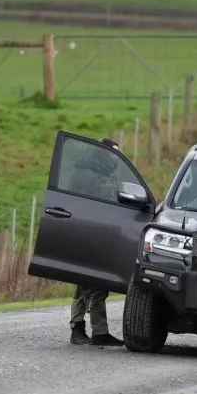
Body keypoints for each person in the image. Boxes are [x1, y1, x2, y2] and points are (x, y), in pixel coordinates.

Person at [68, 137, 125, 347]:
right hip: (87, 234)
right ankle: (99, 332)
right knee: (95, 283)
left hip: (93, 233)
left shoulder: (94, 171)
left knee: (84, 283)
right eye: (113, 154)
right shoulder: (89, 175)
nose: (116, 160)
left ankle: (78, 328)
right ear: (103, 153)